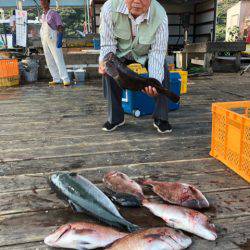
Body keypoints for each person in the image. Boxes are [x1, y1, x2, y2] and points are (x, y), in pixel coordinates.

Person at [99, 0, 171, 133]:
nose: (137, 1)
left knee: (163, 71)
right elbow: (108, 44)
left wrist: (154, 82)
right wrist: (104, 62)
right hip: (120, 53)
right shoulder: (109, 7)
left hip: (145, 54)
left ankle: (161, 118)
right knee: (108, 69)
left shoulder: (160, 15)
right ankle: (116, 118)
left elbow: (157, 52)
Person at [40, 0, 70, 86]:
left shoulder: (54, 13)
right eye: (42, 1)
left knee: (58, 59)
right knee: (49, 60)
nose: (43, 3)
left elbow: (60, 26)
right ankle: (56, 78)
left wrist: (60, 38)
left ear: (48, 2)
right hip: (45, 40)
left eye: (45, 1)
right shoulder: (43, 15)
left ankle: (65, 79)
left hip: (53, 39)